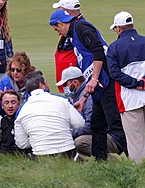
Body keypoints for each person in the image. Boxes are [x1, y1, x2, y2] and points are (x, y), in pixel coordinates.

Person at [49, 10, 128, 160]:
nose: (57, 32)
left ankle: (136, 162)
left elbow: (98, 50)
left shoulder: (80, 27)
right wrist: (84, 97)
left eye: (56, 28)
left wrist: (94, 78)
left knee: (116, 125)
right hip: (98, 87)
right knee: (97, 125)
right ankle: (101, 163)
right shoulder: (74, 35)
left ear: (60, 24)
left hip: (105, 83)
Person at [14, 71, 85, 158]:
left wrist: (36, 139)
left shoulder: (21, 110)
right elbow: (80, 123)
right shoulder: (61, 100)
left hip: (40, 155)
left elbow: (21, 143)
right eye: (46, 83)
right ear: (41, 85)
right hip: (67, 152)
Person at [56, 67, 123, 158]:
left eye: (65, 84)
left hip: (110, 135)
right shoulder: (77, 95)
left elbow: (90, 126)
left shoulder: (88, 97)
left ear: (75, 83)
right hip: (100, 133)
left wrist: (69, 133)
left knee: (80, 142)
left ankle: (109, 163)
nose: (64, 88)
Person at [107, 11, 145, 164]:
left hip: (129, 100)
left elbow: (114, 74)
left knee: (136, 142)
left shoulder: (114, 47)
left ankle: (140, 177)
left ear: (118, 28)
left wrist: (136, 83)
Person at [51, 0, 83, 93]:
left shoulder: (79, 29)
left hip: (75, 83)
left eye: (59, 9)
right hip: (69, 83)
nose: (57, 11)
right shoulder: (70, 29)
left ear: (66, 11)